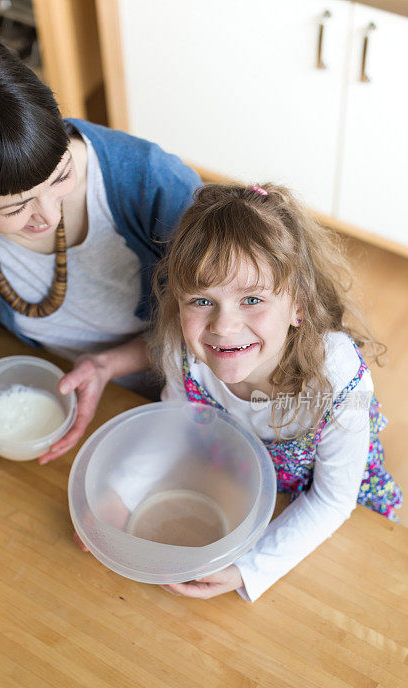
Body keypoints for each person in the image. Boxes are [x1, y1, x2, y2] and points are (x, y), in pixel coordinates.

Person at [0, 33, 201, 462]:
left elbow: (214, 321)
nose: (49, 214)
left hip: (181, 385)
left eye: (61, 177)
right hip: (53, 379)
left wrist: (110, 365)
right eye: (17, 206)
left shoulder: (151, 181)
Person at [150, 182, 402, 601]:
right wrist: (119, 506)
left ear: (299, 305)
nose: (223, 326)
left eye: (251, 299)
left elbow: (332, 501)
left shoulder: (337, 380)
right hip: (232, 490)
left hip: (317, 517)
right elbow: (173, 428)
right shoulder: (184, 349)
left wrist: (247, 569)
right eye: (200, 300)